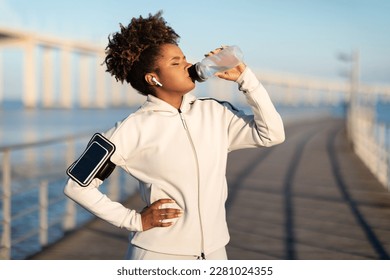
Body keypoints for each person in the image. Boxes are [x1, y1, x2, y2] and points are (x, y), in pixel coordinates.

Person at [64, 11, 285, 260]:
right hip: (159, 255)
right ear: (153, 79)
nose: (188, 66)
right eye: (176, 63)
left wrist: (247, 81)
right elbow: (76, 186)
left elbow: (272, 135)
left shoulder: (216, 112)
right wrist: (133, 220)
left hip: (215, 252)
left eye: (184, 59)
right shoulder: (130, 128)